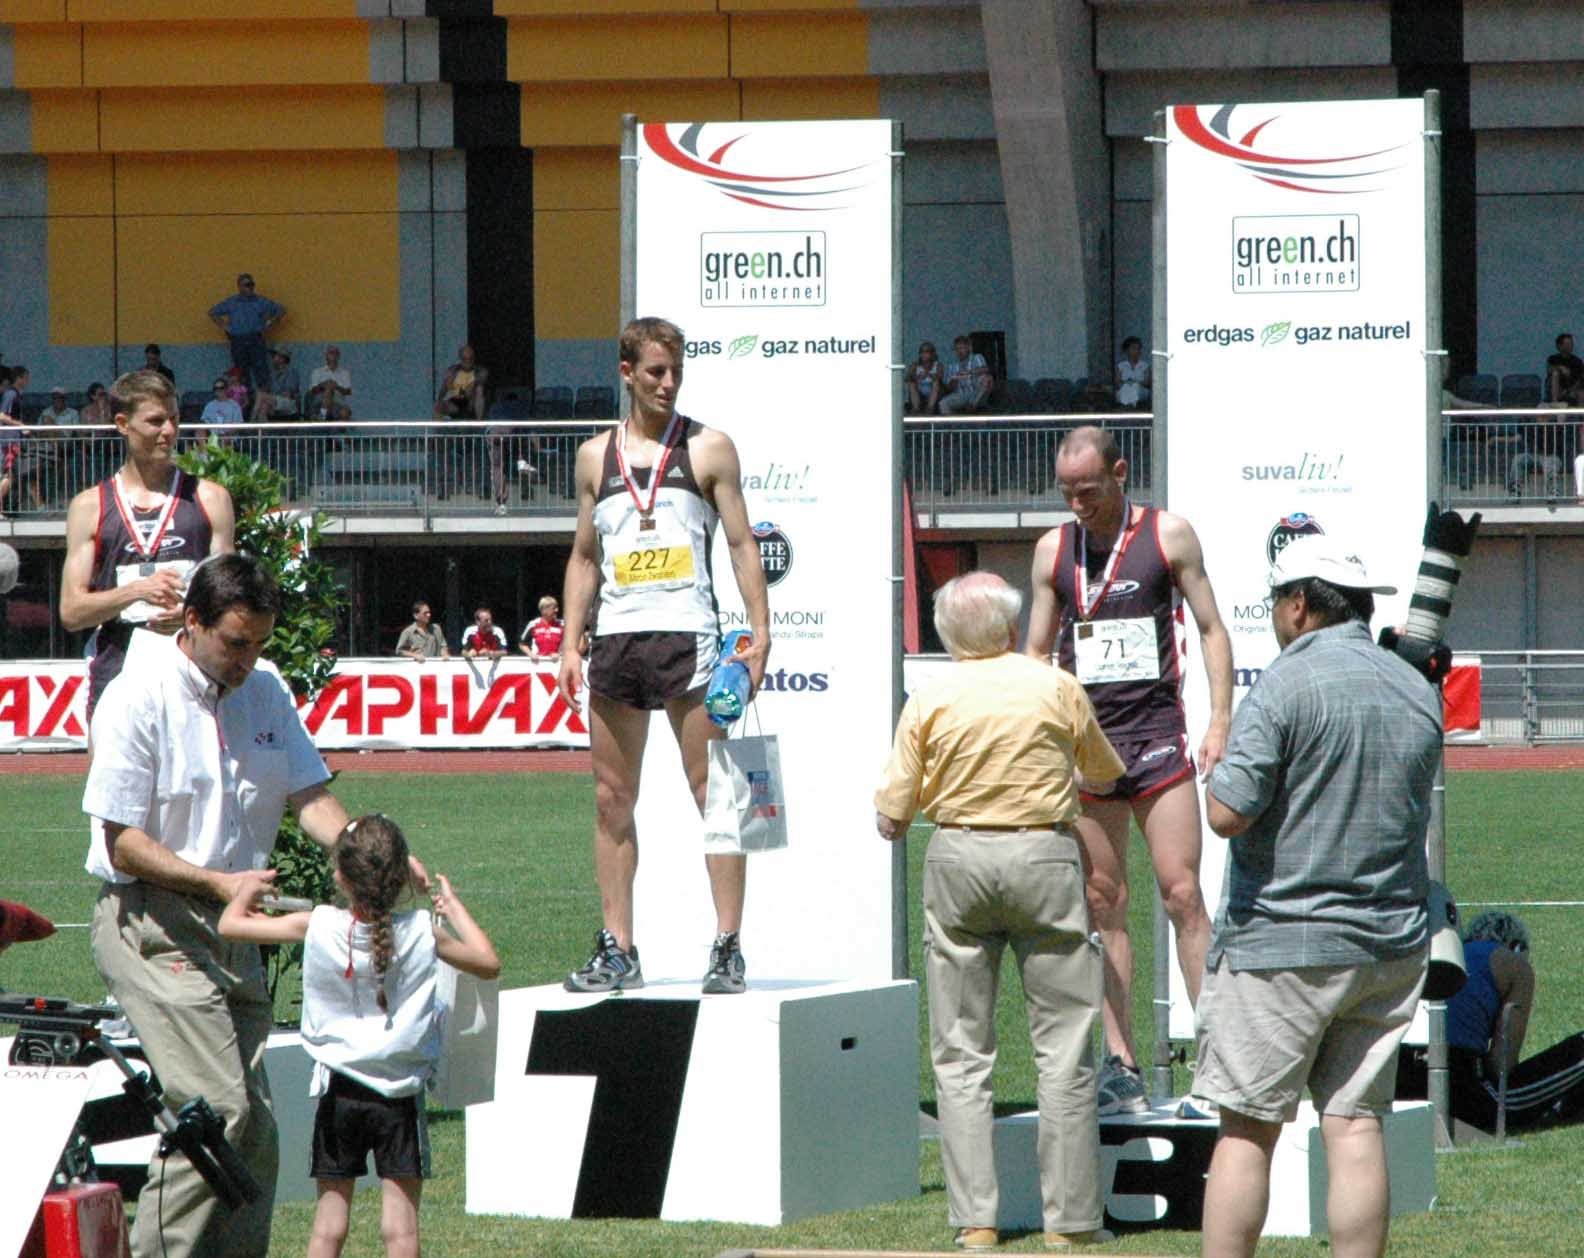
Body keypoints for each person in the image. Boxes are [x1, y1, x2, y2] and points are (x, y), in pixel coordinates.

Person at [82, 553, 397, 1258]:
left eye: (258, 643)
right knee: (214, 1113)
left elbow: (309, 795)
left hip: (235, 929)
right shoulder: (135, 696)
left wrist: (367, 848)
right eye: (235, 643)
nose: (248, 660)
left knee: (255, 1126)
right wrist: (219, 884)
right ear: (191, 621)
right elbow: (122, 843)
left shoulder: (267, 688)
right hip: (151, 923)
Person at [1196, 534, 1439, 1258]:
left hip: (1282, 942)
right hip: (1388, 941)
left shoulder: (1285, 682)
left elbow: (1226, 813)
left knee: (1247, 1129)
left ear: (1298, 604)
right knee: (1356, 1124)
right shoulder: (1414, 688)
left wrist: (1218, 766)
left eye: (1277, 602)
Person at [875, 572, 1121, 1252]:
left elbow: (893, 814)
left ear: (948, 636)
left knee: (960, 1052)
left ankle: (975, 1220)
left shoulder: (931, 697)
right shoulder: (1056, 686)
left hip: (959, 855)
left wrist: (902, 812)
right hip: (1044, 856)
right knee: (1065, 1047)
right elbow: (1104, 773)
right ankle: (1070, 1221)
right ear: (1012, 629)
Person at [557, 315, 771, 995]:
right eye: (655, 371)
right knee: (611, 799)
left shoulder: (709, 448)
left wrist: (760, 632)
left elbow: (741, 543)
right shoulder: (594, 457)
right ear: (627, 373)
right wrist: (568, 641)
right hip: (618, 642)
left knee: (716, 795)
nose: (668, 383)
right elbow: (584, 556)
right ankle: (618, 948)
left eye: (676, 371)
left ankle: (728, 946)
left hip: (691, 642)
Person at [1024, 424, 1231, 1115]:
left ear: (1119, 473)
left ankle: (1218, 1060)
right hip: (1088, 751)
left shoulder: (1168, 535)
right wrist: (1042, 741)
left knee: (1183, 894)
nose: (1076, 504)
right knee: (1102, 901)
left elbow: (1210, 627)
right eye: (1066, 492)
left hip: (1157, 741)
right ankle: (1122, 1064)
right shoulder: (1054, 550)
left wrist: (1220, 720)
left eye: (1088, 490)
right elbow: (1036, 653)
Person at [219, 814, 498, 1258]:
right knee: (401, 1231)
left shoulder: (317, 923)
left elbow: (230, 926)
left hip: (339, 1090)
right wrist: (452, 907)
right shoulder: (423, 931)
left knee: (328, 1228)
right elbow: (488, 962)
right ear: (400, 877)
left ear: (341, 878)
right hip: (400, 1093)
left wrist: (245, 892)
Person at [60, 369, 235, 717]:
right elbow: (71, 612)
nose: (168, 431)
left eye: (174, 419)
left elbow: (229, 600)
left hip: (194, 677)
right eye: (155, 421)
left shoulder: (211, 498)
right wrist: (136, 591)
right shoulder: (89, 506)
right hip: (118, 675)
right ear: (123, 424)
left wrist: (192, 615)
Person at [1402, 910, 1584, 1132]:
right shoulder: (1512, 964)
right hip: (1458, 1089)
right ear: (1516, 946)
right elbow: (1501, 1066)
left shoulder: (1440, 955)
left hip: (1399, 1082)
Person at [209, 272, 285, 396]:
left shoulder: (260, 301)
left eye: (252, 284)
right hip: (238, 341)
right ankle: (245, 402)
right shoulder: (232, 302)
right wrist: (226, 327)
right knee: (241, 374)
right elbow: (213, 312)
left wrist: (269, 323)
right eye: (247, 285)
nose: (250, 287)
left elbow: (280, 310)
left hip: (256, 340)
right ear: (239, 286)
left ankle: (264, 402)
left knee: (262, 373)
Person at [938, 335, 993, 415]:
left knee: (987, 378)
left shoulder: (976, 357)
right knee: (942, 403)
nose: (959, 351)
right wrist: (954, 380)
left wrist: (969, 372)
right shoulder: (952, 366)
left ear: (969, 348)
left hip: (978, 392)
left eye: (961, 348)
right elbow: (949, 388)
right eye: (956, 349)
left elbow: (985, 369)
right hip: (962, 394)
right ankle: (953, 422)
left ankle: (972, 405)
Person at [0, 364, 27, 518]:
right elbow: (2, 415)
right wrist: (21, 425)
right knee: (9, 476)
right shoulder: (11, 394)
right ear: (19, 378)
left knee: (10, 475)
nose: (27, 381)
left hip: (12, 440)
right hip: (8, 441)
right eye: (26, 377)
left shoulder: (15, 394)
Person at [434, 343, 488, 420]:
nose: (467, 361)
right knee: (439, 407)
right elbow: (444, 388)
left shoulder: (480, 371)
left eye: (470, 358)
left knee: (479, 389)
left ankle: (479, 423)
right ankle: (437, 427)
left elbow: (477, 386)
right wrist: (439, 401)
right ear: (460, 358)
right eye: (465, 359)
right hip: (458, 402)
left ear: (473, 358)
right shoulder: (453, 371)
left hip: (473, 402)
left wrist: (467, 388)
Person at [252, 345, 301, 421]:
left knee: (260, 395)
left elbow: (288, 393)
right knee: (263, 406)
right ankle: (264, 428)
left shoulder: (291, 372)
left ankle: (251, 421)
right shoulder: (273, 373)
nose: (273, 358)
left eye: (275, 356)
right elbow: (268, 390)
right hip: (275, 400)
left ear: (283, 358)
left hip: (289, 403)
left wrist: (270, 396)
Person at [307, 346, 354, 421]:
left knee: (345, 412)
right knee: (329, 389)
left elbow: (348, 391)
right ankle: (322, 416)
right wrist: (323, 385)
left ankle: (323, 418)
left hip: (338, 403)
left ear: (339, 356)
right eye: (331, 353)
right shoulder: (317, 372)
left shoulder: (345, 373)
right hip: (320, 403)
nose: (334, 355)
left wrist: (336, 386)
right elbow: (312, 391)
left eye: (336, 353)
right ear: (326, 356)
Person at [518, 594, 564, 659]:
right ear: (544, 610)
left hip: (558, 662)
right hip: (538, 663)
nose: (557, 610)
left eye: (557, 608)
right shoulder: (533, 624)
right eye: (554, 608)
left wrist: (560, 654)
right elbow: (522, 644)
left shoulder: (562, 624)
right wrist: (530, 654)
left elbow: (571, 645)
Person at [1546, 332, 1584, 405]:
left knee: (1581, 393)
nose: (1570, 346)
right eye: (1567, 344)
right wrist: (1560, 368)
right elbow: (1549, 370)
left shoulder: (1577, 361)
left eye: (1571, 344)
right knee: (1555, 373)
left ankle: (1580, 411)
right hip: (1557, 389)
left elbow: (1580, 380)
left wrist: (1568, 391)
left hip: (1572, 390)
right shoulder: (1553, 359)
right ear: (1559, 346)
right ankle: (1555, 403)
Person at [907, 340, 944, 415]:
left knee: (936, 382)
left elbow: (940, 377)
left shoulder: (938, 365)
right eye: (922, 352)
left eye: (927, 352)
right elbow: (908, 378)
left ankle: (930, 408)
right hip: (920, 392)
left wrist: (929, 374)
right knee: (911, 383)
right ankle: (916, 408)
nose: (924, 354)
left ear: (932, 354)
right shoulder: (915, 365)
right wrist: (917, 377)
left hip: (934, 392)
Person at [1114, 336, 1151, 409]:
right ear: (1127, 350)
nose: (1136, 351)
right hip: (1125, 389)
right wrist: (1127, 382)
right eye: (1133, 348)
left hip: (1140, 390)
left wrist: (1136, 382)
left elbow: (1147, 383)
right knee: (1126, 387)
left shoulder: (1145, 365)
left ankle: (1129, 406)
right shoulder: (1121, 366)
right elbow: (1117, 383)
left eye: (1138, 349)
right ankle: (1130, 405)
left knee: (1135, 387)